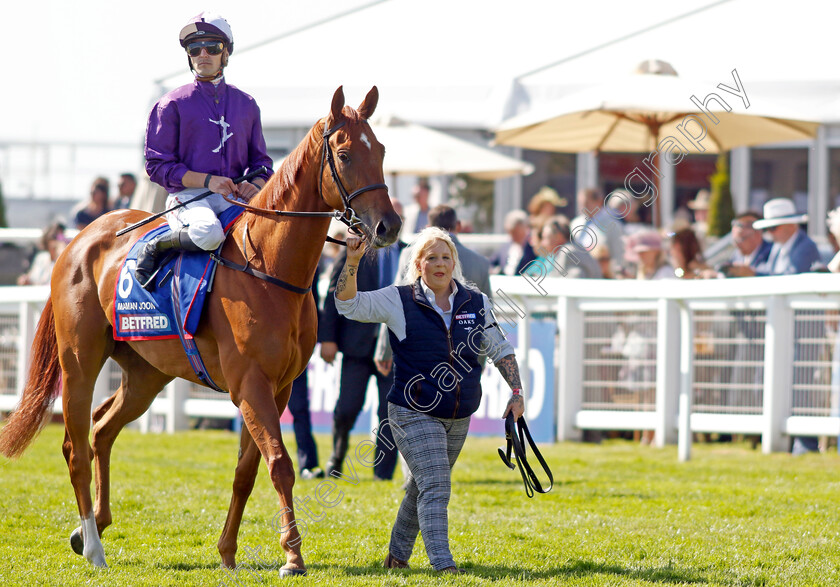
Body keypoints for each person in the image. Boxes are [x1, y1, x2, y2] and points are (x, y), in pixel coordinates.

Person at [333, 227, 524, 573]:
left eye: (445, 257)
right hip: (411, 410)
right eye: (431, 257)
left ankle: (396, 555)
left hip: (459, 413)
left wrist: (516, 393)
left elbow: (500, 348)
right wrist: (352, 260)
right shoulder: (398, 298)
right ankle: (443, 564)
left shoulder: (476, 302)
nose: (440, 263)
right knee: (436, 484)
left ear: (455, 262)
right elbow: (347, 304)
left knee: (420, 484)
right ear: (418, 264)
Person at [137, 11, 273, 289]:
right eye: (194, 48)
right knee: (209, 234)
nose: (203, 54)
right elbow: (157, 167)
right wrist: (209, 181)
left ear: (226, 53)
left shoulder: (246, 104)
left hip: (233, 199)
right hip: (188, 199)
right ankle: (157, 245)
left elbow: (262, 163)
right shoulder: (169, 104)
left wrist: (255, 184)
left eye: (212, 47)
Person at [318, 229, 404, 481]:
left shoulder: (410, 253)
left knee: (389, 414)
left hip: (395, 349)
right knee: (347, 408)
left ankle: (383, 473)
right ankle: (336, 458)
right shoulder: (354, 252)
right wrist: (328, 338)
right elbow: (334, 294)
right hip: (356, 347)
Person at [728, 198, 819, 277]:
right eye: (767, 228)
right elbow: (770, 272)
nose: (769, 232)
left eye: (773, 227)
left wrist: (754, 274)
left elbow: (792, 279)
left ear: (791, 225)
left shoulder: (806, 247)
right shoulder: (778, 246)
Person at [529, 215, 602, 279]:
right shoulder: (574, 248)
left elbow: (568, 285)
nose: (543, 243)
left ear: (559, 236)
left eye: (546, 238)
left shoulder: (568, 253)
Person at [570, 187, 625, 268]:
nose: (582, 207)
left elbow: (618, 253)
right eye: (580, 204)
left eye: (586, 203)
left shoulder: (613, 225)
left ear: (599, 202)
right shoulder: (575, 223)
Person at [489, 209, 536, 276]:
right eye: (510, 233)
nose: (513, 236)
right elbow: (491, 263)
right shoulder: (505, 247)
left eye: (515, 232)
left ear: (525, 228)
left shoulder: (533, 249)